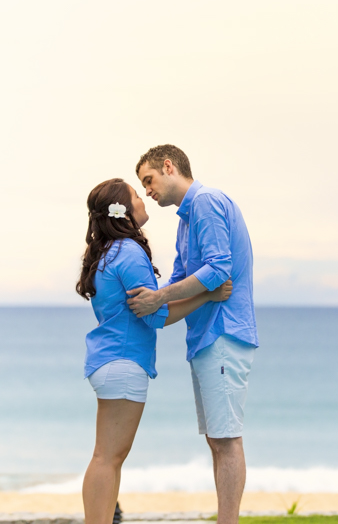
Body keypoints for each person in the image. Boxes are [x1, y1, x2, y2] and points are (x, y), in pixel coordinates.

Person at [76, 177, 232, 524]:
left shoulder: (107, 252)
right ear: (124, 210)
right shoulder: (128, 252)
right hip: (123, 361)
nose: (143, 197)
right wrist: (208, 294)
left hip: (108, 360)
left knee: (107, 456)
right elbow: (157, 316)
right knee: (108, 457)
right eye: (136, 194)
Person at [127, 145, 258, 524]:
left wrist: (160, 297)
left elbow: (219, 269)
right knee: (217, 440)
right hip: (204, 338)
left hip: (223, 334)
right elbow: (178, 281)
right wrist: (147, 308)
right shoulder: (186, 220)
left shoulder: (206, 202)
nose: (148, 191)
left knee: (227, 440)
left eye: (148, 180)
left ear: (169, 167)